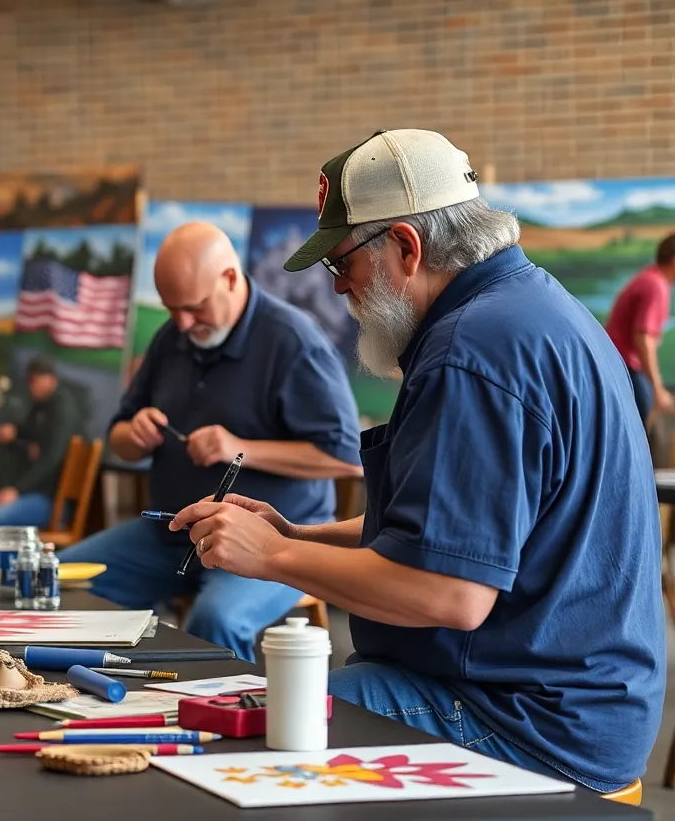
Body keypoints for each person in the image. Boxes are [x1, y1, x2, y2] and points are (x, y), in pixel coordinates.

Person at [170, 130, 664, 793]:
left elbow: (449, 591)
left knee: (242, 746)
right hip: (564, 701)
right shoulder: (529, 309)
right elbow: (444, 532)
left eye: (343, 264)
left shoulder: (475, 350)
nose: (342, 289)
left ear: (406, 246)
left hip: (525, 721)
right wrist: (294, 534)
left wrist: (272, 559)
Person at [60, 221, 363, 661]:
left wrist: (238, 447)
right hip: (167, 535)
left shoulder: (294, 342)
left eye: (194, 307)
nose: (183, 323)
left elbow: (347, 457)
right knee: (61, 581)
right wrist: (136, 434)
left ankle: (219, 722)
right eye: (171, 309)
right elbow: (120, 439)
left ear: (229, 278)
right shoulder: (172, 338)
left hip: (266, 540)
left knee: (215, 621)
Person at [0, 355, 79, 544]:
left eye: (35, 381)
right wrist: (16, 433)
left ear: (50, 379)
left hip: (48, 497)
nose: (31, 386)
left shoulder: (62, 410)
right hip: (28, 489)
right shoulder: (42, 406)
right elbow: (32, 432)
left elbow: (51, 458)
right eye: (30, 381)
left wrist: (17, 490)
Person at [605, 235, 675, 423]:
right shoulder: (656, 285)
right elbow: (643, 339)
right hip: (626, 368)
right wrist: (658, 388)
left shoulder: (652, 277)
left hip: (620, 364)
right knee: (641, 429)